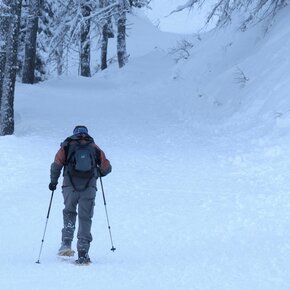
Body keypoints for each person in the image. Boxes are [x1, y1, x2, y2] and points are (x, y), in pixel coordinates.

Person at [49, 125, 112, 264]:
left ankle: (66, 244)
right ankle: (83, 253)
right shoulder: (94, 147)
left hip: (69, 187)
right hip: (89, 188)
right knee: (85, 218)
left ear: (75, 133)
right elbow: (107, 167)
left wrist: (53, 182)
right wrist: (97, 173)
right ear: (86, 134)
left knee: (69, 212)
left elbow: (56, 165)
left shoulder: (66, 145)